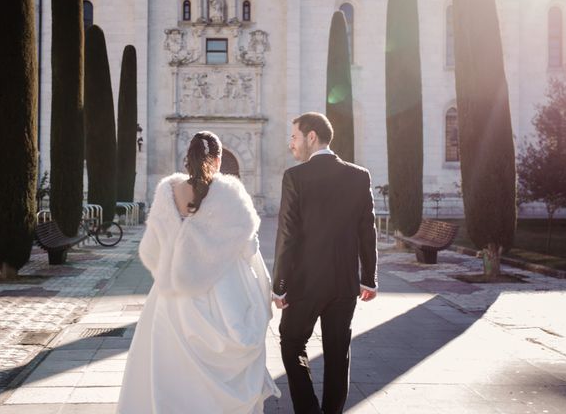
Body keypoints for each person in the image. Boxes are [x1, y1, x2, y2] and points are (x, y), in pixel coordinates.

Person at [117, 131, 279, 414]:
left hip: (172, 297)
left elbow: (151, 251)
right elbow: (249, 247)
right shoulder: (231, 192)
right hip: (223, 293)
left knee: (171, 369)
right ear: (217, 159)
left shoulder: (168, 191)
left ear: (187, 159)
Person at [273, 112, 378, 414]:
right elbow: (367, 232)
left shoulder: (295, 177)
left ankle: (308, 410)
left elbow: (287, 236)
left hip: (304, 284)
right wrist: (368, 279)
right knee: (337, 354)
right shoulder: (360, 176)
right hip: (344, 285)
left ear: (311, 137)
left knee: (292, 344)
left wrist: (279, 285)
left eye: (294, 137)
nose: (291, 144)